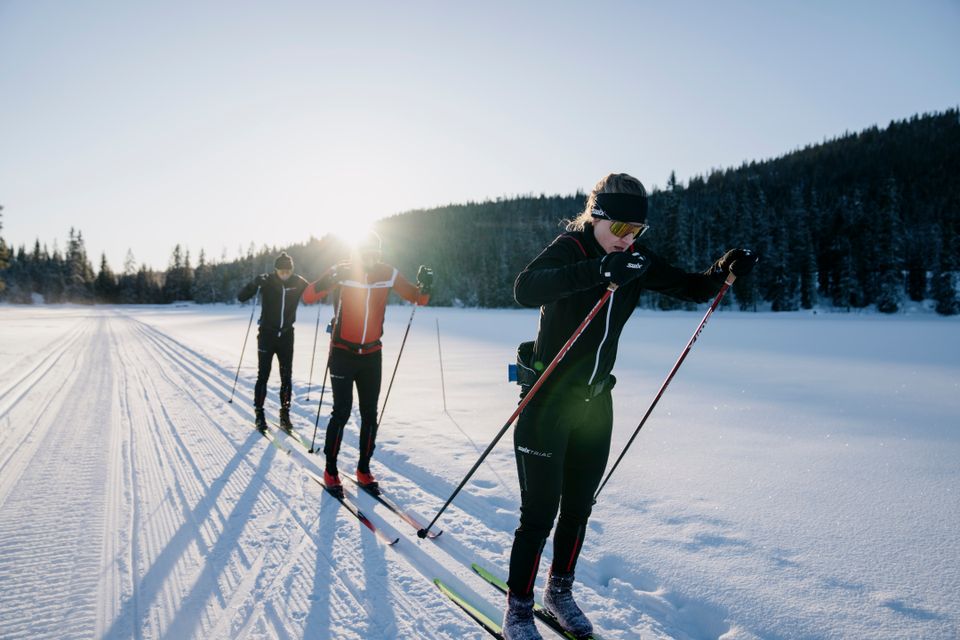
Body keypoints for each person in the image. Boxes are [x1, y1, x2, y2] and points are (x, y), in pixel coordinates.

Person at [502, 173, 757, 640]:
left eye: (636, 230)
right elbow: (526, 288)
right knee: (538, 514)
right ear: (595, 217)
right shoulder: (571, 248)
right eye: (619, 228)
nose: (627, 238)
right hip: (546, 405)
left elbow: (693, 287)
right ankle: (518, 609)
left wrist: (725, 269)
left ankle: (559, 593)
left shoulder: (636, 259)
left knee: (578, 508)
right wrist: (600, 272)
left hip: (595, 406)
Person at [302, 231, 434, 495]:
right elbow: (308, 296)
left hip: (372, 355)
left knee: (370, 414)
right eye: (366, 255)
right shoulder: (342, 271)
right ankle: (330, 470)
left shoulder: (388, 273)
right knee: (341, 412)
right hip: (342, 353)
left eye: (375, 255)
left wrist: (426, 286)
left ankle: (363, 469)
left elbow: (418, 299)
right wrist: (329, 279)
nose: (371, 260)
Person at [237, 251, 311, 433]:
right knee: (263, 375)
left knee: (286, 376)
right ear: (276, 270)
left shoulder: (298, 282)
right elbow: (241, 297)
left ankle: (285, 413)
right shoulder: (267, 281)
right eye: (282, 271)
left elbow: (314, 293)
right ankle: (259, 412)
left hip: (286, 335)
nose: (285, 274)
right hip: (267, 335)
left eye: (288, 271)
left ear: (292, 270)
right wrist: (254, 283)